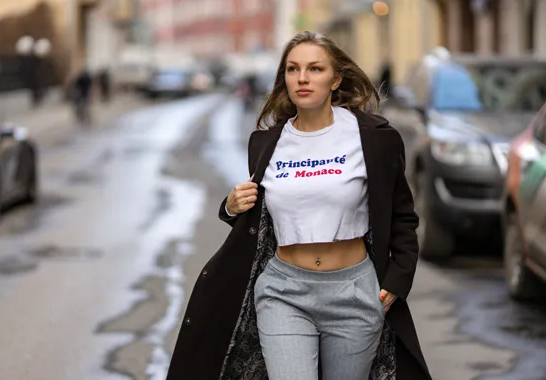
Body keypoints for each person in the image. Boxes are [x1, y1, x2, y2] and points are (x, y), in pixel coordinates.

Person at [166, 31, 432, 380]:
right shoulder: (266, 143)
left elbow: (402, 217)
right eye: (293, 69)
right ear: (285, 79)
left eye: (315, 69)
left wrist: (397, 281)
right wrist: (231, 206)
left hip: (354, 292)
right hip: (283, 291)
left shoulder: (374, 139)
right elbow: (262, 218)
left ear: (336, 79)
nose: (302, 78)